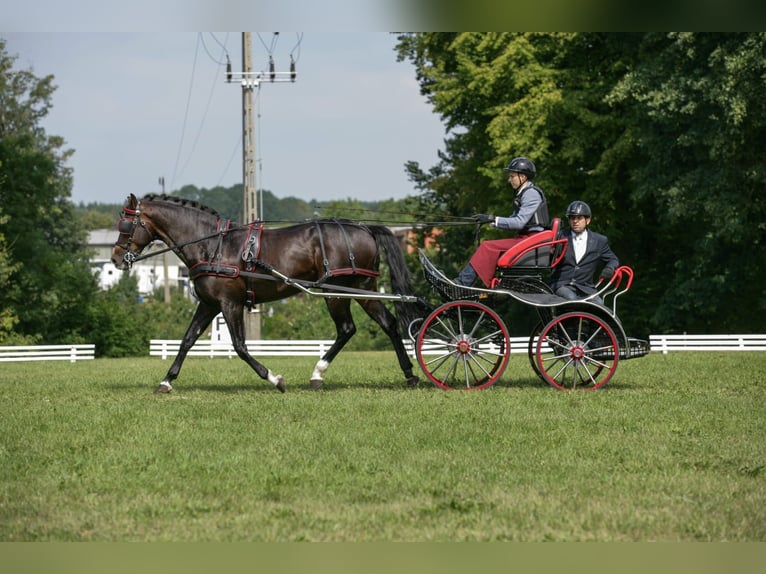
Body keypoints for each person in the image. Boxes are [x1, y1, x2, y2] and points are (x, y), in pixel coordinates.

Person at [454, 156, 550, 287]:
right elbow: (512, 219)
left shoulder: (530, 194)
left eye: (512, 176)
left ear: (523, 177)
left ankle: (462, 283)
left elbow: (519, 222)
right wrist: (489, 220)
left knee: (487, 246)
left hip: (530, 241)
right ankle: (466, 282)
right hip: (526, 239)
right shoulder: (523, 194)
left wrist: (493, 219)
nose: (509, 180)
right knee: (488, 246)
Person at [549, 200, 619, 304]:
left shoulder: (599, 241)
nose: (575, 221)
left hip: (586, 288)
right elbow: (548, 258)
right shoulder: (560, 236)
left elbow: (613, 259)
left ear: (588, 220)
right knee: (573, 300)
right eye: (572, 218)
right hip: (562, 285)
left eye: (579, 218)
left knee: (599, 305)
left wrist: (609, 268)